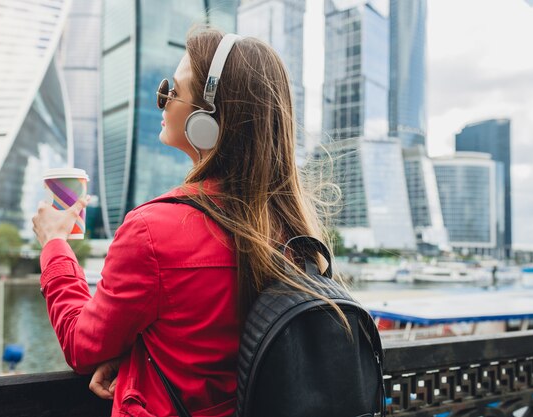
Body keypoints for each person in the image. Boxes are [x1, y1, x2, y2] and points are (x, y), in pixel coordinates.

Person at [32, 27, 333, 417]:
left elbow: (81, 345)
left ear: (206, 120)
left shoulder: (152, 232)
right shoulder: (297, 235)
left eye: (171, 91)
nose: (162, 101)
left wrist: (55, 246)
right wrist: (138, 356)